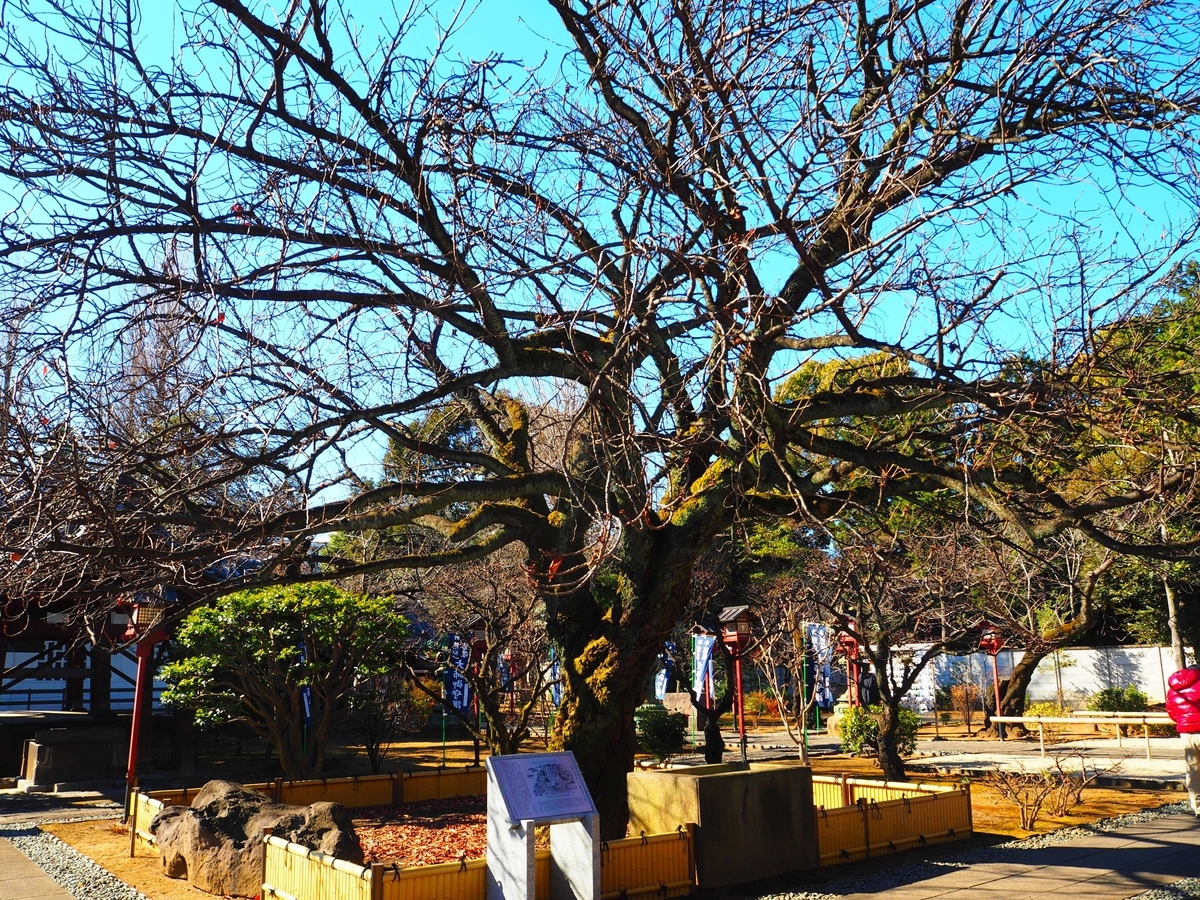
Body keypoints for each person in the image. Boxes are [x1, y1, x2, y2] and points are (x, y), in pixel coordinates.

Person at [1166, 664, 1200, 816]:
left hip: (1186, 735)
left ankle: (1197, 807)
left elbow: (1172, 713)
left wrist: (1184, 722)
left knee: (1193, 772)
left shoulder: (1173, 690)